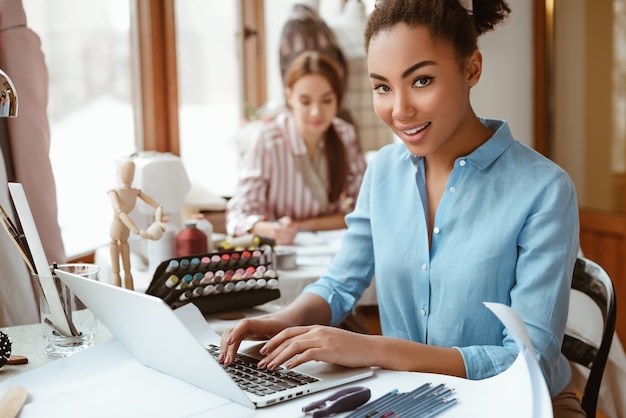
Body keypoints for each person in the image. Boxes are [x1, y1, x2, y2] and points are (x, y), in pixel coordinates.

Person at [220, 0, 583, 416]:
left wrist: (373, 349)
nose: (399, 109)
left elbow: (527, 361)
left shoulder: (544, 190)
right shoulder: (384, 172)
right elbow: (339, 285)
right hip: (412, 397)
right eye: (382, 87)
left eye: (422, 80)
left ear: (471, 69)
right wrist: (283, 319)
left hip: (518, 402)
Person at [226, 50, 367, 245]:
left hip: (333, 249)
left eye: (326, 100)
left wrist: (300, 225)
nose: (316, 112)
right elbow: (238, 215)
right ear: (289, 96)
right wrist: (271, 230)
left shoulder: (345, 135)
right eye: (305, 101)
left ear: (338, 99)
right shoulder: (268, 139)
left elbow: (362, 209)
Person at [108, 159, 164, 290]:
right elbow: (119, 211)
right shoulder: (113, 191)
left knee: (128, 269)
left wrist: (159, 222)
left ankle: (130, 292)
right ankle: (117, 294)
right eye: (126, 170)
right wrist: (137, 230)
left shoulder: (135, 191)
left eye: (131, 171)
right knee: (116, 271)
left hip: (126, 229)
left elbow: (158, 206)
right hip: (117, 226)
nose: (128, 174)